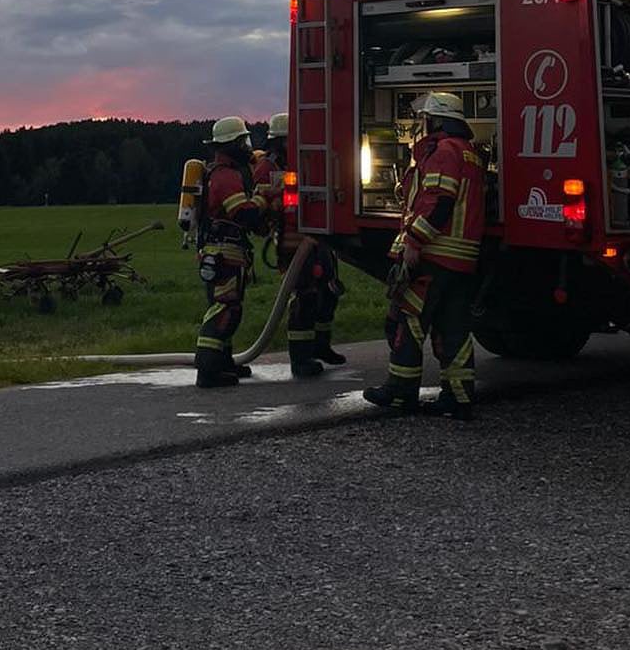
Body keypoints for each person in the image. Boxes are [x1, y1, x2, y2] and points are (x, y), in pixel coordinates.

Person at [364, 90, 485, 420]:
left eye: (426, 119)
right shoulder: (469, 153)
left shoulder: (444, 151)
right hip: (462, 258)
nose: (423, 124)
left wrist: (415, 242)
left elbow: (439, 201)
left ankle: (401, 393)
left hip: (435, 253)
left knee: (409, 320)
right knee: (454, 328)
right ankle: (458, 397)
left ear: (436, 121)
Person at [254, 112, 347, 378]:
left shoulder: (302, 158)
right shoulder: (267, 168)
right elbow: (265, 205)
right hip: (292, 240)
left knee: (328, 291)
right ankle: (300, 358)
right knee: (305, 296)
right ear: (281, 140)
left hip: (317, 236)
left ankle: (321, 346)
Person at [194, 116, 267, 389]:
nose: (247, 146)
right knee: (226, 309)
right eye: (242, 141)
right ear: (232, 145)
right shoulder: (225, 176)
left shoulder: (224, 172)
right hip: (224, 252)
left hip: (223, 252)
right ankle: (208, 370)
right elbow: (244, 214)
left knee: (226, 306)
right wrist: (264, 195)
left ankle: (222, 363)